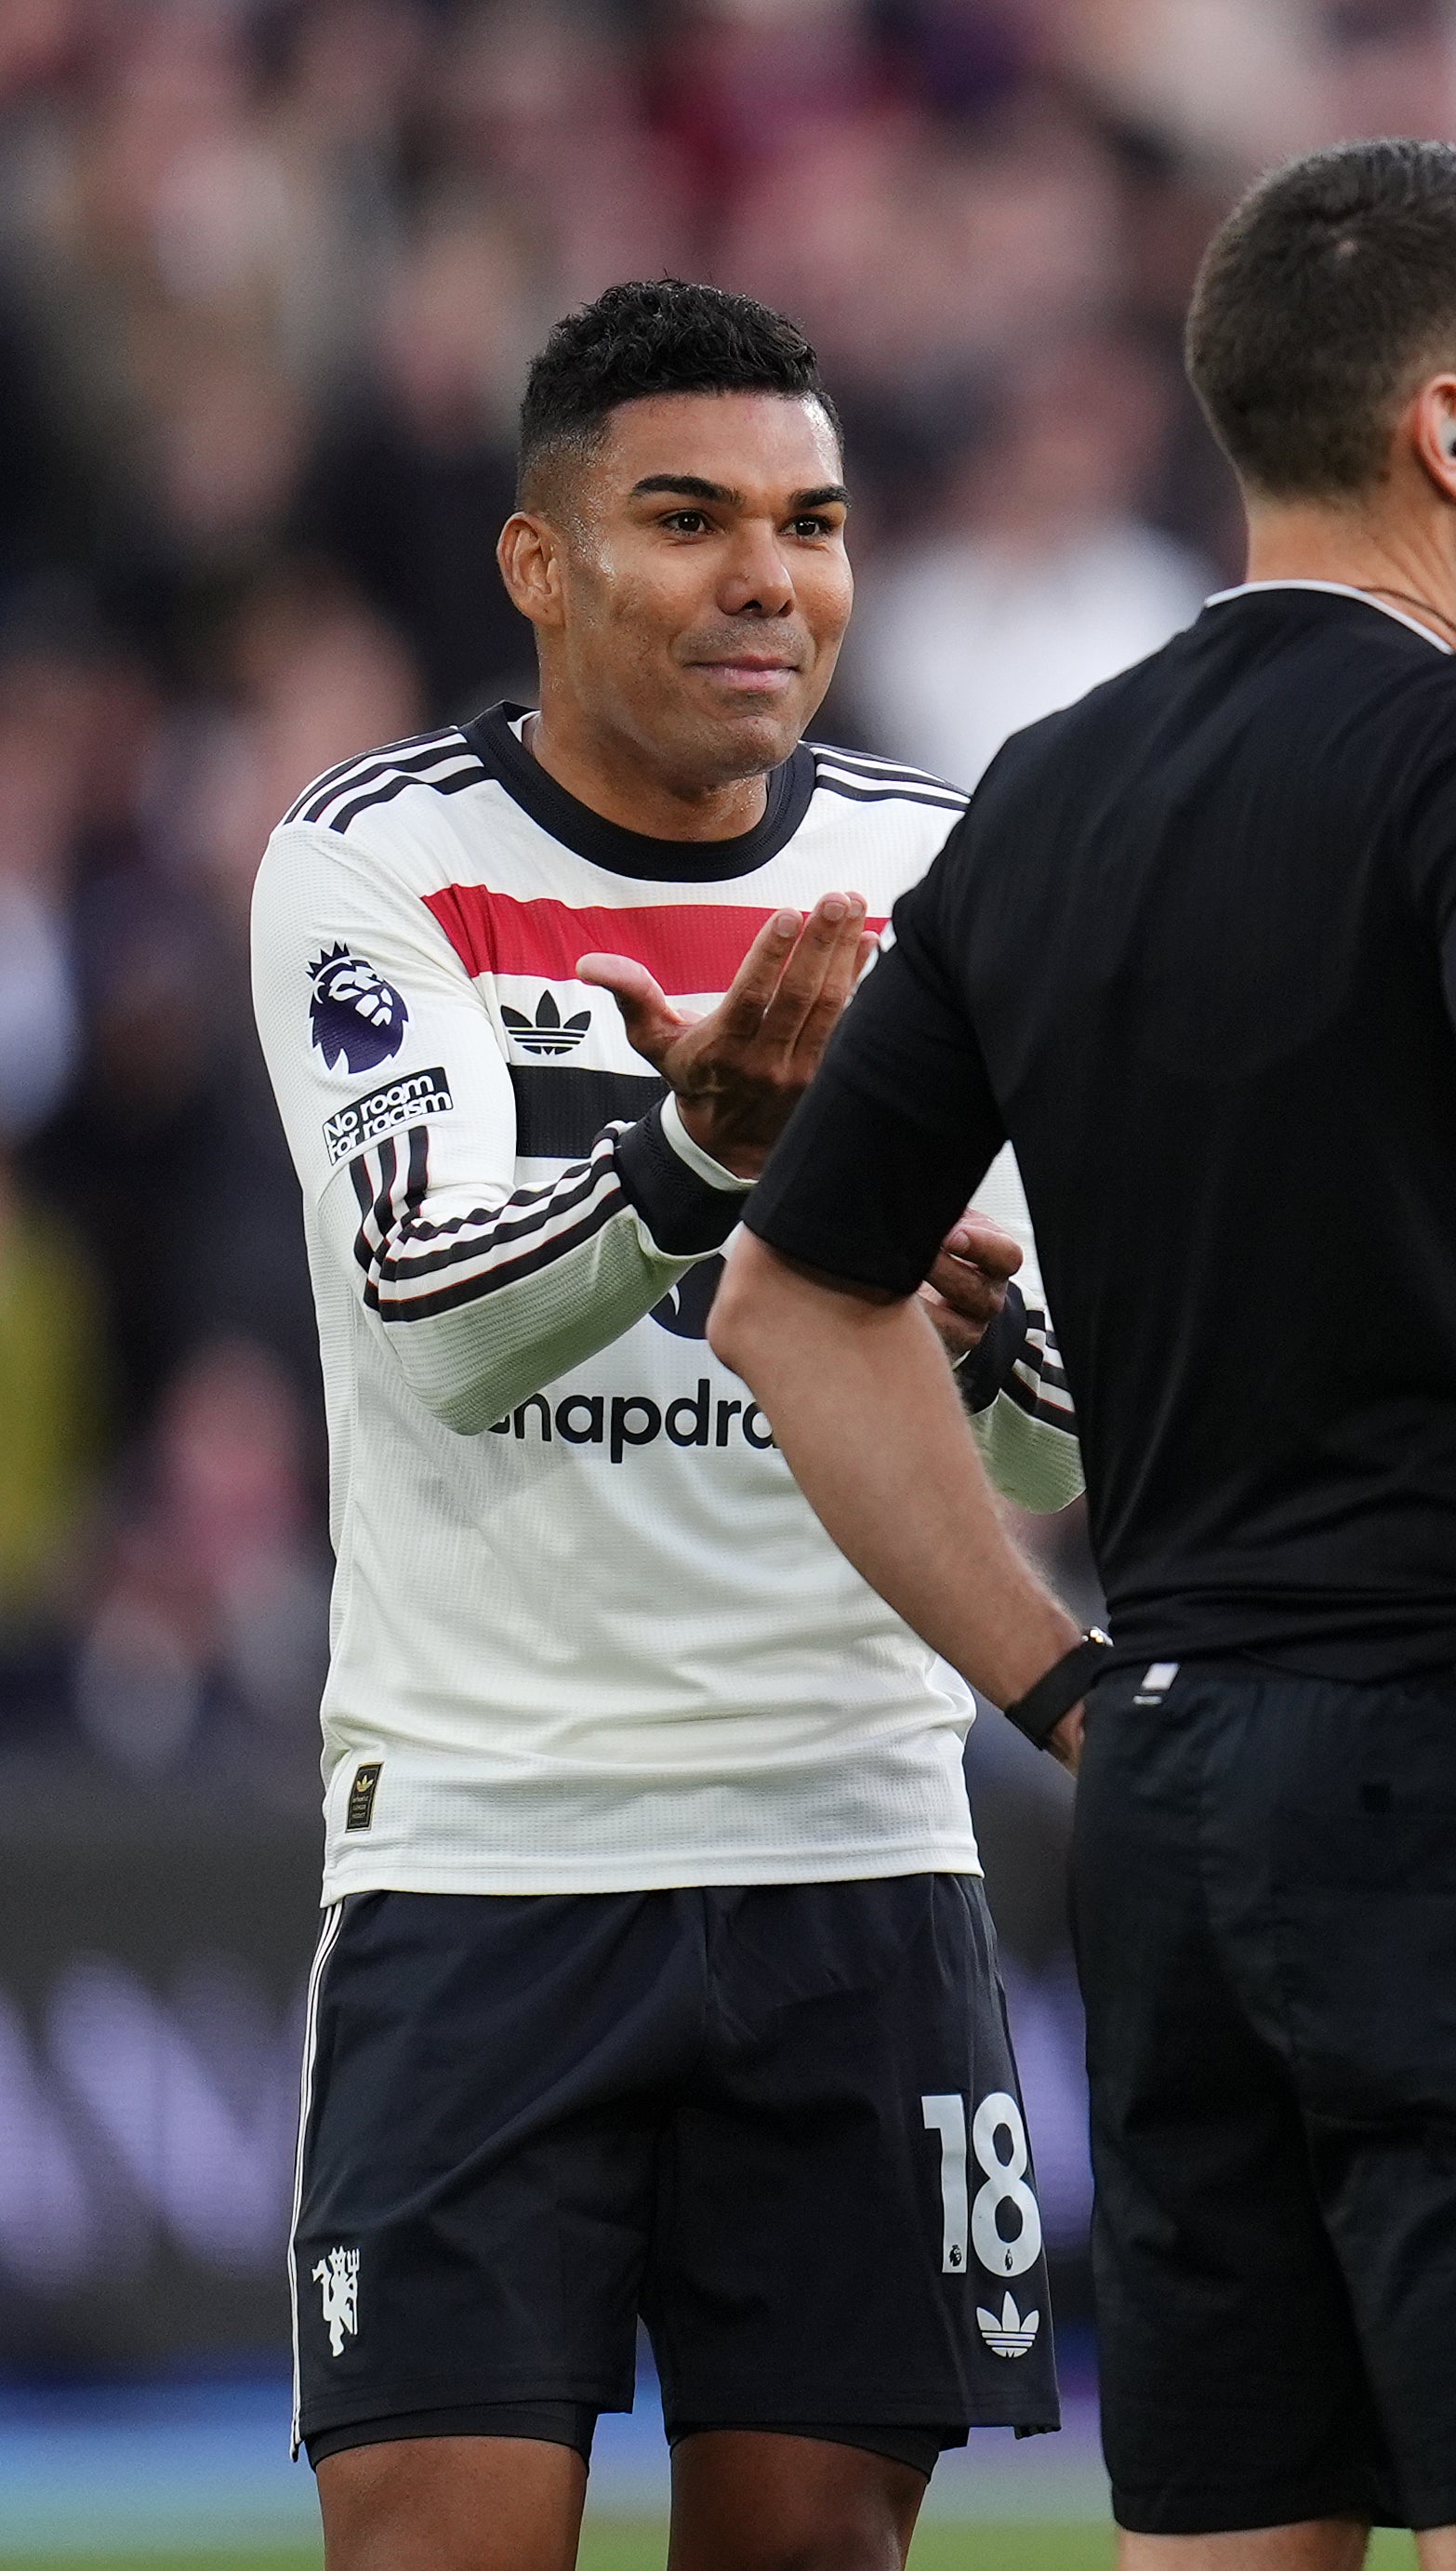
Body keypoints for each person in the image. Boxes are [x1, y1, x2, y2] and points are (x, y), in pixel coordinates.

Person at [708, 139, 1456, 2571]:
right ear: (1449, 427)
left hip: (1172, 1790)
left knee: (1235, 2527)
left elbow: (787, 1298)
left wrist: (1063, 1686)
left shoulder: (1043, 795)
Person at [249, 279, 1077, 2571]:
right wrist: (713, 1165)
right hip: (488, 1856)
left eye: (811, 525)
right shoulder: (375, 864)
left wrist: (978, 1319)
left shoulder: (948, 870)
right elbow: (435, 1318)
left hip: (851, 1848)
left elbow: (1056, 1444)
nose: (767, 580)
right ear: (539, 565)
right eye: (690, 518)